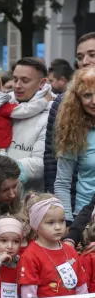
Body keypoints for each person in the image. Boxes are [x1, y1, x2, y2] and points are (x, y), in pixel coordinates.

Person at [44, 32, 95, 193]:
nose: (85, 62)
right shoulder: (62, 103)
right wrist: (59, 210)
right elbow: (52, 158)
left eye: (92, 55)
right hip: (76, 203)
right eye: (80, 57)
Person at [53, 67, 95, 220]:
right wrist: (68, 222)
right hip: (85, 219)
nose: (94, 101)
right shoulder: (74, 131)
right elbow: (62, 184)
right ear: (77, 99)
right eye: (87, 95)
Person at [8, 57, 52, 189]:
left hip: (27, 198)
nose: (17, 85)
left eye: (25, 80)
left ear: (42, 83)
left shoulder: (52, 115)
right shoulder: (3, 104)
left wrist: (1, 169)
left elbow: (40, 164)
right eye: (15, 79)